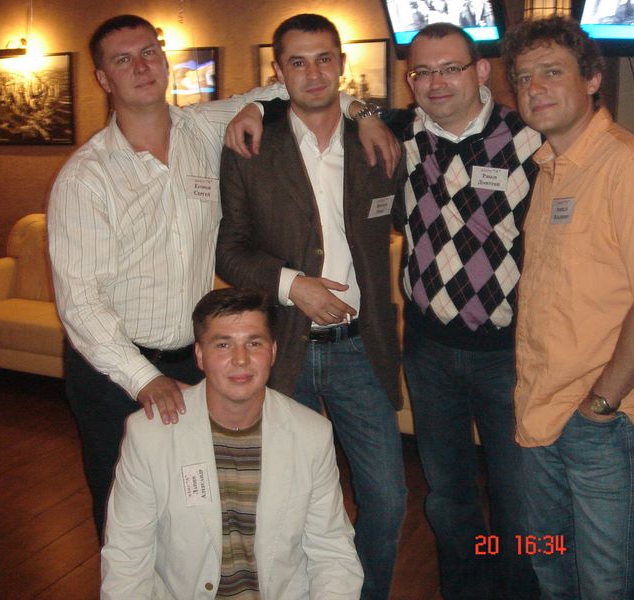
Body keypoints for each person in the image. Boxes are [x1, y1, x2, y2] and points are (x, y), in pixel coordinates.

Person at [47, 14, 396, 540]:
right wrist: (144, 379)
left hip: (193, 362)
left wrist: (363, 112)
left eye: (149, 52)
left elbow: (302, 86)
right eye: (123, 59)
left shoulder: (203, 128)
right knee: (127, 515)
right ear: (103, 78)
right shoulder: (85, 177)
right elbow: (81, 303)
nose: (141, 67)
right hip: (115, 373)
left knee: (198, 510)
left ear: (164, 60)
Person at [216, 14, 407, 600]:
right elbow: (230, 250)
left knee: (387, 499)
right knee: (288, 502)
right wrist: (292, 284)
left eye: (324, 58)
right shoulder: (250, 145)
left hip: (361, 349)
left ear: (342, 64)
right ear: (278, 72)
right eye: (297, 62)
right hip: (283, 351)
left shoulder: (378, 142)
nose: (313, 73)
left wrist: (366, 113)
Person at [501, 16, 634, 598]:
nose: (534, 88)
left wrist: (601, 404)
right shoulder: (550, 171)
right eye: (523, 77)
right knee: (552, 572)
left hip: (602, 424)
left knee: (605, 584)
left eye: (551, 72)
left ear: (591, 80)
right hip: (540, 414)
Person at [391, 23, 540, 600]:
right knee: (449, 498)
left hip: (509, 355)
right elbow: (324, 102)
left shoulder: (531, 139)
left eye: (450, 68)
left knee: (520, 501)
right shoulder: (400, 137)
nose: (436, 82)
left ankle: (519, 590)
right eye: (423, 71)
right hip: (428, 350)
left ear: (480, 72)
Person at [101, 287, 363, 599]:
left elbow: (332, 552)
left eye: (254, 343)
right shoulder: (149, 436)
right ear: (200, 355)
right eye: (223, 344)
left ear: (273, 351)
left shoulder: (312, 435)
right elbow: (127, 559)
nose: (241, 359)